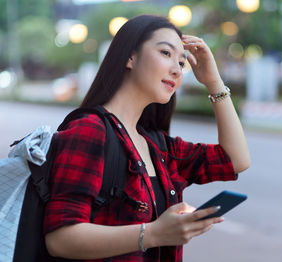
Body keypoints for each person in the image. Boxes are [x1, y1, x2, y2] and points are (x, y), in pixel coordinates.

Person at [43, 14, 250, 262]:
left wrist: (214, 82)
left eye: (182, 63)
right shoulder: (90, 129)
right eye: (165, 53)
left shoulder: (158, 146)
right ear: (130, 56)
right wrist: (152, 234)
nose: (176, 69)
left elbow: (235, 159)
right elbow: (60, 239)